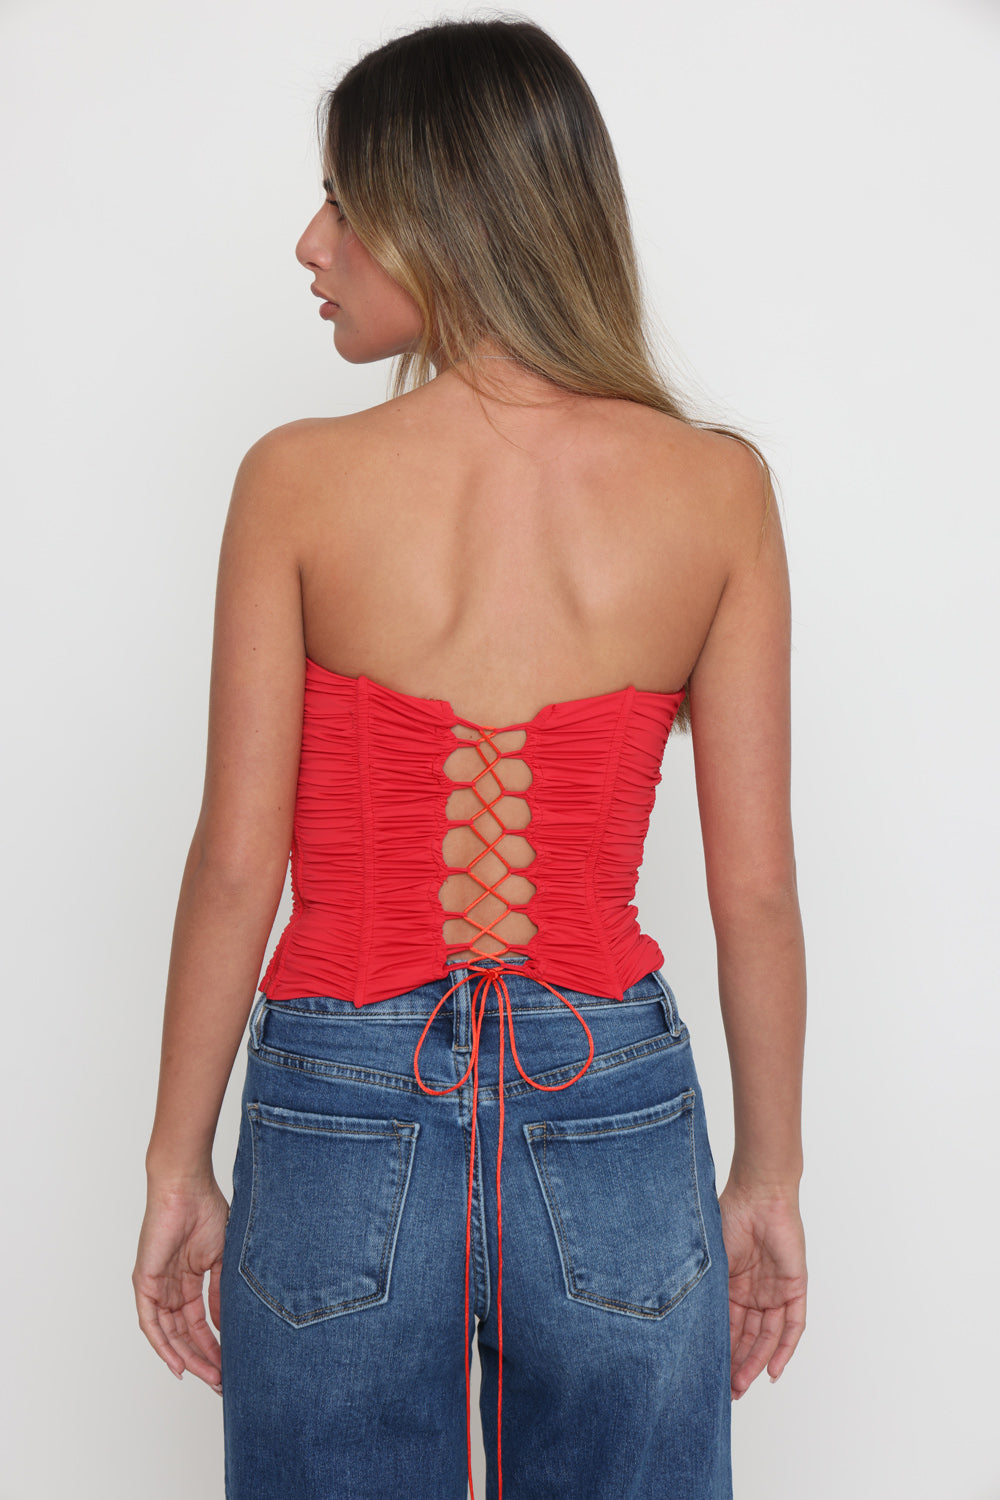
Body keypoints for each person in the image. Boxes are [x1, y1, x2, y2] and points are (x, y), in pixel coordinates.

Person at [132, 17, 807, 1499]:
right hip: (615, 1106)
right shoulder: (717, 492)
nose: (312, 244)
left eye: (346, 200)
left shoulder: (297, 481)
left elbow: (238, 861)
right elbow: (754, 888)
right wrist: (770, 1172)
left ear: (445, 209)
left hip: (340, 1101)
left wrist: (178, 1162)